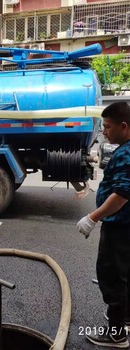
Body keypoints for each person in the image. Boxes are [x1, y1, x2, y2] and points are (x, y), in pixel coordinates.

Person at [77, 102, 130, 348]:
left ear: (124, 126)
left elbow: (121, 194)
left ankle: (117, 334)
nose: (104, 132)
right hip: (123, 226)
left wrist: (92, 218)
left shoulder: (126, 153)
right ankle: (124, 318)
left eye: (108, 127)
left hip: (120, 228)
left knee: (112, 277)